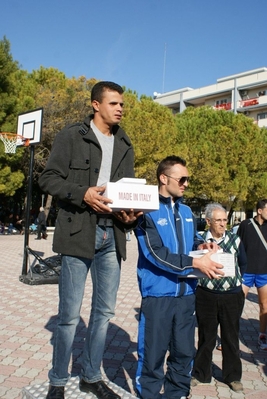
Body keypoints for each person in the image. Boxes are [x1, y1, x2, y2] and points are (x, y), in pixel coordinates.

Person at [39, 81, 141, 399]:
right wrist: (82, 193)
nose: (120, 108)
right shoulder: (72, 135)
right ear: (96, 105)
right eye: (114, 103)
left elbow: (126, 192)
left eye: (122, 103)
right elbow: (48, 178)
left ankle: (90, 376)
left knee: (104, 313)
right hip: (78, 232)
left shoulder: (125, 143)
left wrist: (129, 214)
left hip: (113, 234)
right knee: (69, 315)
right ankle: (57, 381)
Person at [134, 156, 224, 399]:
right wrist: (194, 263)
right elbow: (155, 254)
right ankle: (149, 395)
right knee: (152, 355)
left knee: (184, 353)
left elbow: (191, 241)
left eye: (188, 179)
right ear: (164, 179)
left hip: (186, 296)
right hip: (158, 295)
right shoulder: (146, 210)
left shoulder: (186, 210)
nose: (186, 184)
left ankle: (177, 394)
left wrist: (203, 246)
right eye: (181, 179)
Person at [191, 203, 246, 393]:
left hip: (231, 296)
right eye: (218, 220)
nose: (223, 224)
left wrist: (234, 282)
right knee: (207, 336)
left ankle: (233, 377)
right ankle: (200, 374)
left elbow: (243, 264)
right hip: (206, 295)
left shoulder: (235, 240)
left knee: (231, 336)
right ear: (208, 222)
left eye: (225, 220)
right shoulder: (199, 241)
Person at [237, 199, 267, 350]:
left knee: (264, 305)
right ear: (260, 211)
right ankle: (229, 337)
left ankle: (262, 336)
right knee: (236, 304)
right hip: (246, 272)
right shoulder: (245, 225)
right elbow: (237, 245)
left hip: (264, 272)